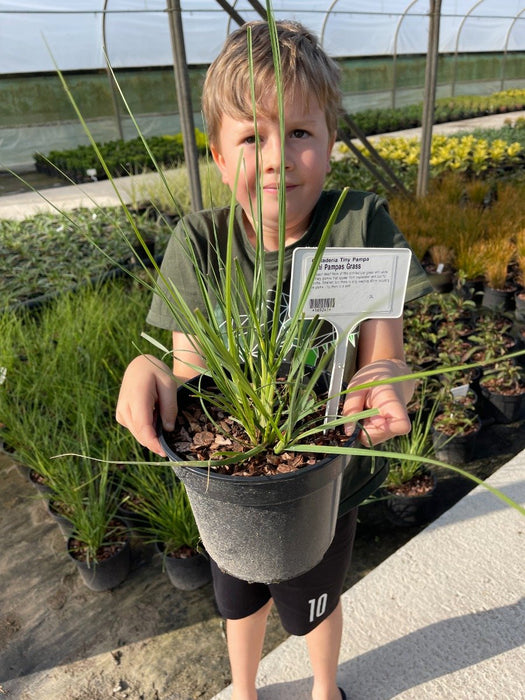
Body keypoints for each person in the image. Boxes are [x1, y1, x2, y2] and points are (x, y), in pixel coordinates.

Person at [116, 20, 432, 700]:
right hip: (228, 484)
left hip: (326, 480)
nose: (277, 158)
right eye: (252, 136)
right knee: (237, 595)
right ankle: (246, 689)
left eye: (298, 133)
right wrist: (154, 376)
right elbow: (193, 380)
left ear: (329, 140)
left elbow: (384, 355)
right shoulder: (199, 241)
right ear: (218, 154)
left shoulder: (359, 224)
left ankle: (323, 689)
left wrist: (382, 384)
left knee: (314, 595)